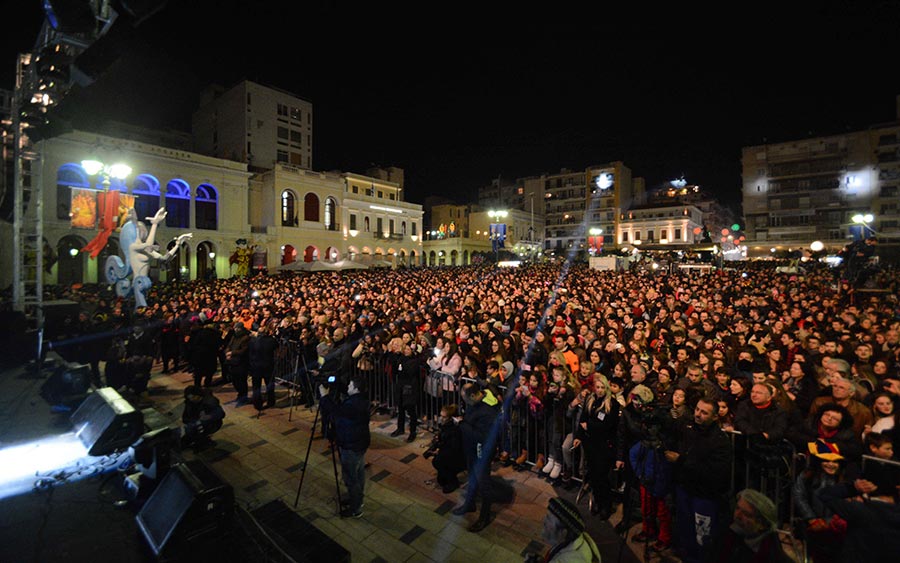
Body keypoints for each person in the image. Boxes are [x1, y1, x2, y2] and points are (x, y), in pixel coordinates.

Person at [665, 397, 733, 563]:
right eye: (697, 409)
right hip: (685, 489)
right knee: (685, 529)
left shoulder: (720, 441)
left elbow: (715, 473)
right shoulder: (688, 429)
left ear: (715, 416)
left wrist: (681, 461)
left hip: (705, 496)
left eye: (704, 412)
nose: (698, 414)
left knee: (703, 537)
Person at [319, 374, 370, 518]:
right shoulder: (361, 399)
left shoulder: (353, 405)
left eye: (350, 385)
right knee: (358, 472)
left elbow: (336, 411)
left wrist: (324, 397)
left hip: (350, 444)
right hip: (359, 443)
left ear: (356, 389)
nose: (348, 387)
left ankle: (355, 508)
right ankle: (357, 499)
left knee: (350, 478)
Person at [572, 375, 622, 519]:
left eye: (602, 388)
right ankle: (599, 503)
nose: (599, 390)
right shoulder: (590, 399)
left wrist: (590, 426)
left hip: (604, 446)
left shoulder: (612, 404)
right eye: (597, 387)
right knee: (593, 475)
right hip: (590, 444)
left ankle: (606, 506)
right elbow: (583, 419)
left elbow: (607, 425)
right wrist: (579, 436)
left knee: (602, 477)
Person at [453, 382, 501, 532]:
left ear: (473, 395)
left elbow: (482, 436)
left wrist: (462, 424)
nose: (464, 402)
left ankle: (485, 516)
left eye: (465, 399)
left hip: (482, 450)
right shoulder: (476, 403)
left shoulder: (488, 411)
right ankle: (470, 503)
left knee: (483, 482)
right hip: (471, 448)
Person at [706, 489, 793, 563]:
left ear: (762, 525)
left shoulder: (772, 555)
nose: (737, 515)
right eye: (737, 508)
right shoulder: (727, 534)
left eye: (746, 514)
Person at [524, 497, 601, 563]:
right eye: (546, 516)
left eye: (549, 520)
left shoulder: (570, 560)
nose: (544, 521)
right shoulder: (572, 540)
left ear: (563, 533)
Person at [423, 404, 466, 493]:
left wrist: (438, 452)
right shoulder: (445, 426)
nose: (441, 419)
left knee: (439, 462)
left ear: (450, 418)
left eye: (444, 417)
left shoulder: (454, 429)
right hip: (447, 452)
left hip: (456, 457)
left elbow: (453, 448)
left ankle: (453, 482)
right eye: (441, 416)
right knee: (441, 476)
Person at [181, 385, 225, 452]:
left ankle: (204, 443)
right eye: (189, 398)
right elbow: (186, 415)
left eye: (193, 397)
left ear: (198, 395)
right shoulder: (190, 402)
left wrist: (209, 416)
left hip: (210, 423)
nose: (191, 399)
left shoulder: (209, 401)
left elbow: (220, 413)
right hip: (195, 422)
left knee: (197, 433)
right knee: (189, 433)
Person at [249, 321, 278, 409]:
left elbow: (250, 353)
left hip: (256, 366)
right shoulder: (271, 341)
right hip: (268, 365)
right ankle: (271, 401)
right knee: (269, 385)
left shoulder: (253, 341)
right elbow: (278, 349)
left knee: (256, 386)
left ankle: (257, 403)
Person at [225, 321, 251, 406]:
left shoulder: (245, 337)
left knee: (241, 380)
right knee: (234, 380)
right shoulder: (234, 336)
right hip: (232, 361)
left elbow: (243, 350)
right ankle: (240, 394)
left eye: (237, 328)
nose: (235, 329)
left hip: (241, 362)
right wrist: (227, 352)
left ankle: (243, 396)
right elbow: (229, 345)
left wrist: (232, 353)